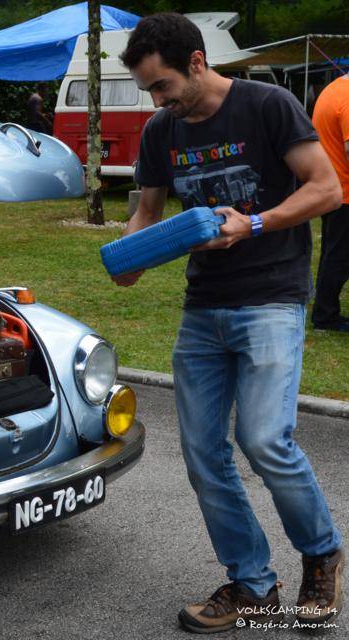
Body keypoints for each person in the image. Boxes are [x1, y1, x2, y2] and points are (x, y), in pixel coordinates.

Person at [113, 13, 344, 634]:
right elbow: (149, 211)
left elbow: (326, 189)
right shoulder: (163, 130)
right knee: (202, 454)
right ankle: (252, 584)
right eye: (147, 92)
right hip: (203, 308)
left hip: (271, 297)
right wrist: (128, 255)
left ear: (194, 62)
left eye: (160, 86)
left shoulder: (268, 105)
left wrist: (258, 222)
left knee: (266, 441)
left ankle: (321, 557)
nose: (155, 101)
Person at [311, 74, 349, 332]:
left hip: (331, 187)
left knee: (332, 253)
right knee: (339, 256)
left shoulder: (333, 88)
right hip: (345, 192)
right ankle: (326, 316)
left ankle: (325, 311)